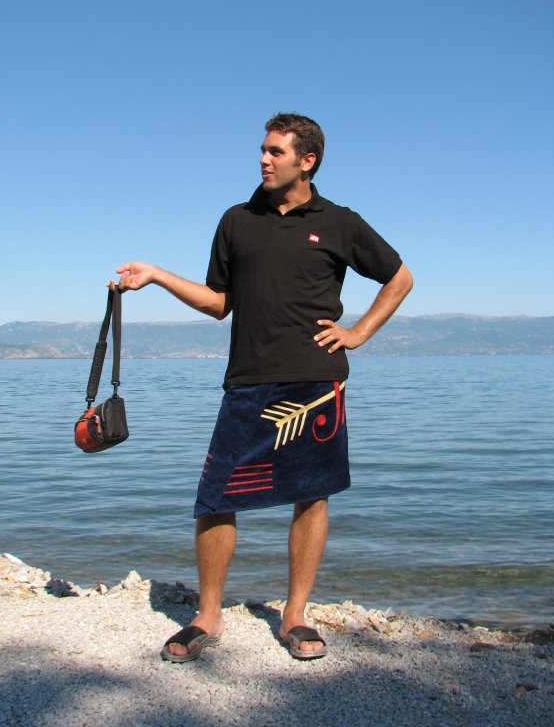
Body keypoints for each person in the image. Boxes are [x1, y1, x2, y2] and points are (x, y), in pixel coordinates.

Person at [113, 113, 413, 662]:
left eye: (276, 151)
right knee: (215, 496)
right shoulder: (237, 220)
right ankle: (208, 615)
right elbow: (219, 303)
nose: (263, 159)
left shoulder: (340, 222)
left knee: (311, 495)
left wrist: (358, 333)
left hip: (316, 380)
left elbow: (400, 278)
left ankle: (295, 615)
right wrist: (157, 275)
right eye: (263, 149)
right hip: (248, 380)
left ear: (307, 160)